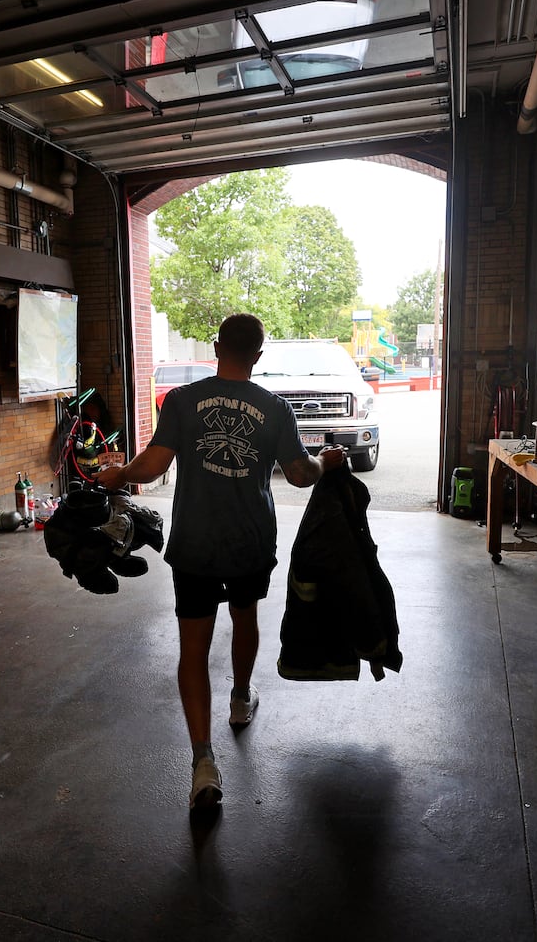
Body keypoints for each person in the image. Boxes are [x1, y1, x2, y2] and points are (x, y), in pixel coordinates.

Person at [97, 313, 347, 809]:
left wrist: (117, 475)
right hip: (250, 541)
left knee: (193, 646)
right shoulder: (274, 408)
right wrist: (328, 462)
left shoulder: (183, 400)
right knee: (246, 615)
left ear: (216, 347)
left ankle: (203, 762)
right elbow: (299, 474)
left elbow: (154, 463)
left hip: (195, 543)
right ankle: (240, 699)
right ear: (257, 354)